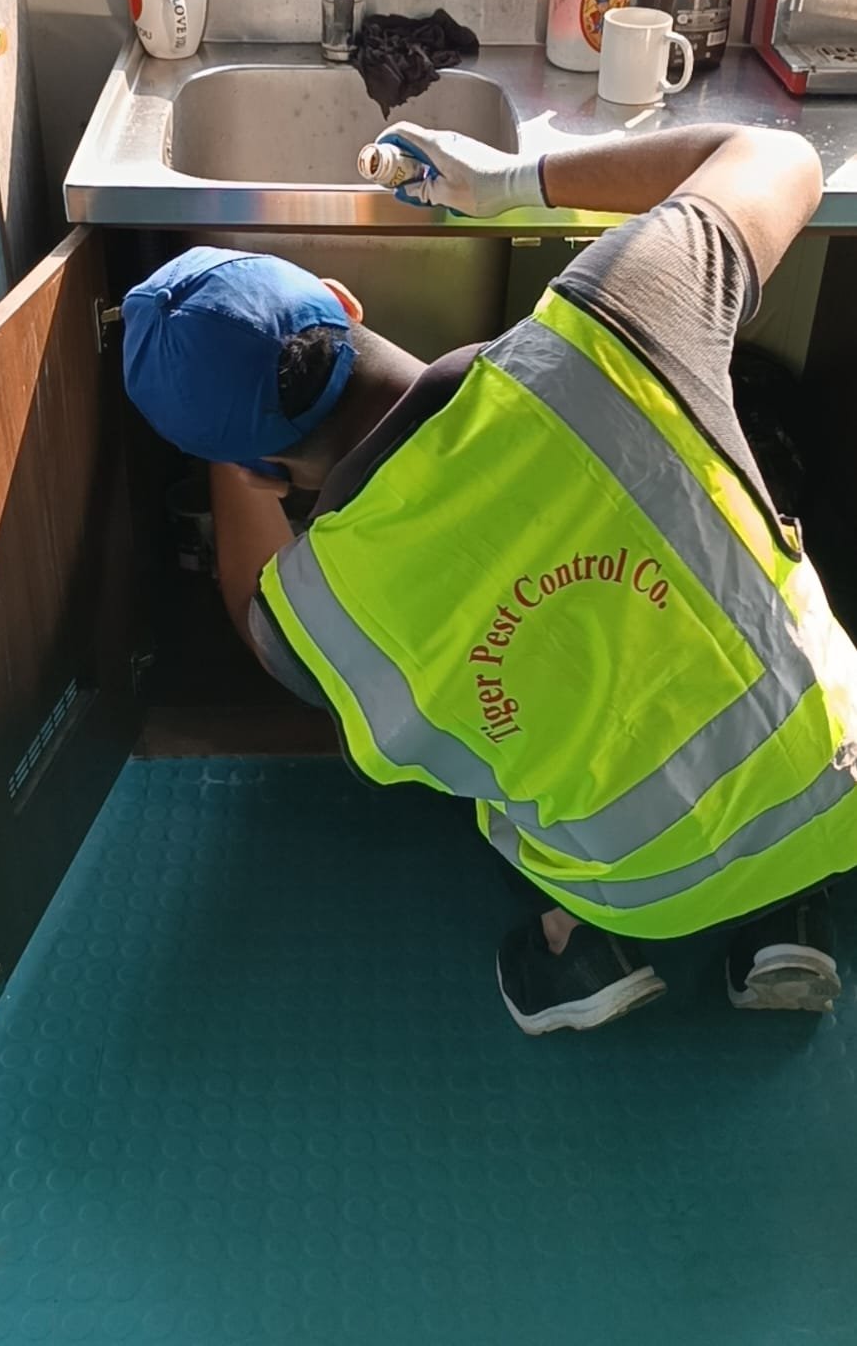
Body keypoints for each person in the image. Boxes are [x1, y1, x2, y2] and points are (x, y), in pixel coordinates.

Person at [122, 120, 857, 1034]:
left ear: (256, 476)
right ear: (344, 301)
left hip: (641, 889)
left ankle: (573, 945)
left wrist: (231, 462)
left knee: (481, 763)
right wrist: (513, 180)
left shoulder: (312, 618)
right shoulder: (611, 319)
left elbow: (250, 604)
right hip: (841, 782)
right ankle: (793, 915)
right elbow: (784, 156)